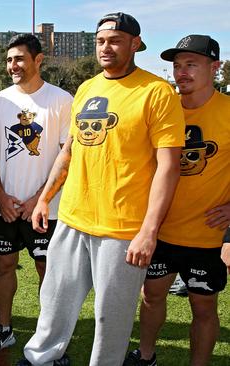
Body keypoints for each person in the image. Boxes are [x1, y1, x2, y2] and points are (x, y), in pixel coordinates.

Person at [17, 12, 185, 366]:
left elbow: (169, 167)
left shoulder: (157, 92)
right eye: (100, 41)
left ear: (135, 44)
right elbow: (70, 149)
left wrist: (148, 232)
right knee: (54, 302)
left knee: (112, 318)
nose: (105, 47)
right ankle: (39, 360)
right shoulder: (88, 87)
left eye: (115, 40)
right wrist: (45, 198)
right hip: (74, 219)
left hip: (122, 229)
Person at [124, 35, 229, 366]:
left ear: (215, 67)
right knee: (151, 296)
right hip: (160, 229)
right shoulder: (162, 107)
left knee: (202, 305)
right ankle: (146, 356)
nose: (182, 73)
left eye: (191, 65)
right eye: (177, 65)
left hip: (206, 234)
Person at [0, 34, 72, 356]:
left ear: (38, 59)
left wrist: (38, 200)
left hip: (46, 207)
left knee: (48, 270)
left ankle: (51, 339)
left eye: (19, 59)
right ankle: (4, 330)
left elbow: (67, 156)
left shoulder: (61, 100)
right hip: (3, 205)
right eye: (9, 60)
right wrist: (2, 197)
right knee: (3, 266)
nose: (13, 66)